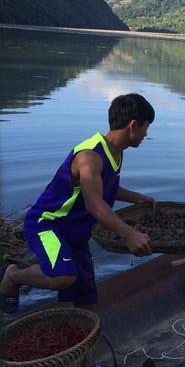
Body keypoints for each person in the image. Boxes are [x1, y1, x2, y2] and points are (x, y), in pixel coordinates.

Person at [0, 93, 156, 314]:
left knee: (86, 301)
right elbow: (94, 204)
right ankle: (13, 275)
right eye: (146, 127)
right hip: (48, 225)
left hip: (76, 234)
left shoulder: (116, 152)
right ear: (133, 125)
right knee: (63, 276)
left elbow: (103, 187)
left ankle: (79, 339)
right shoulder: (90, 156)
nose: (146, 134)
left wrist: (137, 197)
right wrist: (129, 233)